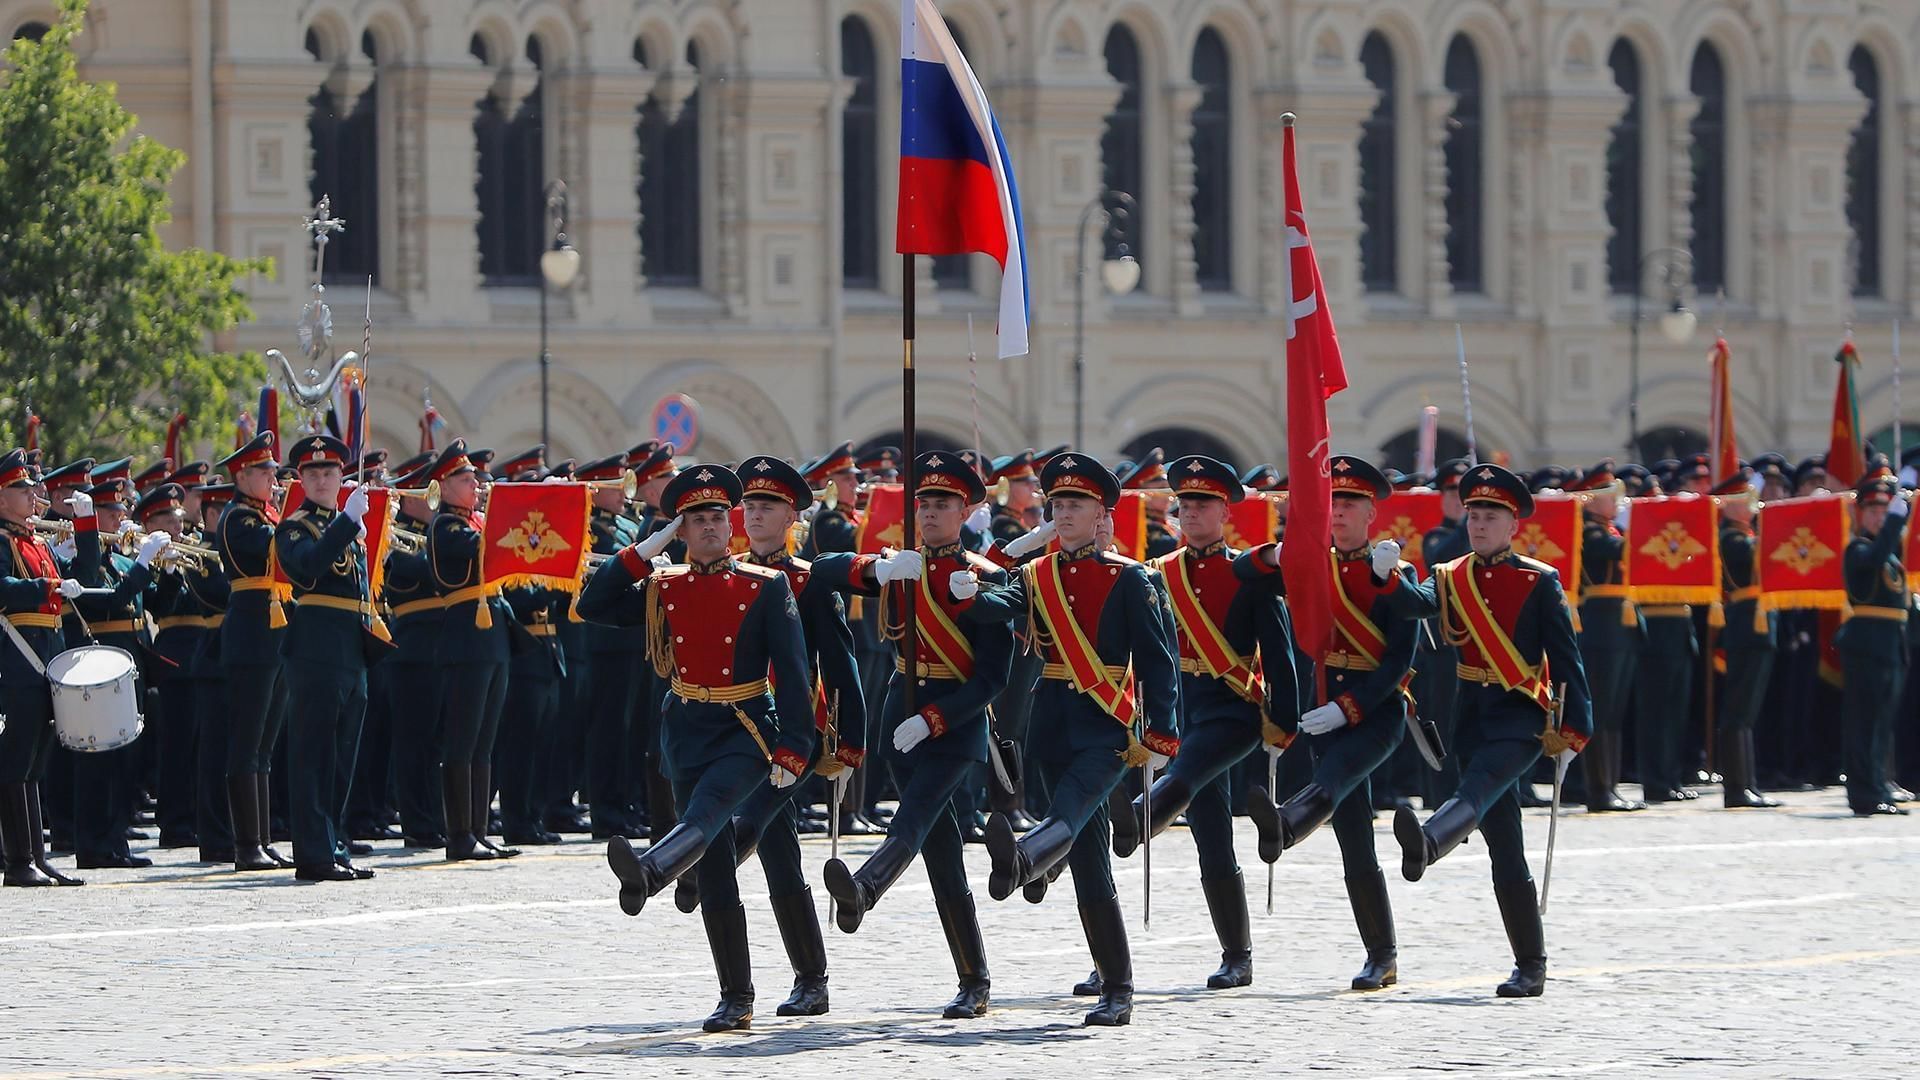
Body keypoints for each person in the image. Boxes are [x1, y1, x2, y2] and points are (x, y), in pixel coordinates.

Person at [583, 464, 816, 1033]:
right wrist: (648, 546)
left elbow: (793, 668)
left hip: (745, 726)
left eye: (717, 517)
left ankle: (654, 869)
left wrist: (795, 747)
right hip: (686, 727)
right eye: (696, 519)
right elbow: (593, 603)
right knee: (715, 871)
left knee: (707, 816)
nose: (710, 527)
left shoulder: (766, 586)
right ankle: (736, 996)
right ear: (682, 529)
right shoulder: (665, 585)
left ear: (730, 523)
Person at [972, 453, 1180, 1027]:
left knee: (1069, 815)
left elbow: (1160, 664)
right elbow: (997, 604)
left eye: (1076, 505)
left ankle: (1025, 858)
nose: (1063, 514)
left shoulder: (1131, 578)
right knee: (1090, 863)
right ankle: (1115, 984)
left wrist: (1162, 733)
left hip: (1107, 725)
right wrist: (975, 581)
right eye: (1057, 505)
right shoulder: (1036, 574)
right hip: (1053, 725)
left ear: (1102, 514)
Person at [816, 450, 1012, 1020]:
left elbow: (994, 678)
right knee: (942, 855)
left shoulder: (984, 578)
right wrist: (873, 571)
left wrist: (935, 719)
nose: (929, 512)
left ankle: (865, 887)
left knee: (914, 815)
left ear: (966, 509)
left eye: (942, 503)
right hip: (898, 708)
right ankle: (974, 980)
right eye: (923, 502)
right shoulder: (902, 565)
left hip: (954, 722)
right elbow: (818, 571)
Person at [1385, 464, 1592, 997]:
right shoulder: (1450, 574)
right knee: (1505, 848)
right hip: (1472, 714)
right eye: (1473, 514)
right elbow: (1416, 606)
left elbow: (1567, 660)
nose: (1478, 524)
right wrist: (1386, 573)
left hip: (1521, 717)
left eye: (1490, 516)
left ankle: (1431, 840)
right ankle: (1531, 964)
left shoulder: (1538, 580)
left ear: (1512, 525)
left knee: (1475, 789)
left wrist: (1576, 726)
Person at [1106, 454, 1298, 991]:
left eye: (1203, 503)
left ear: (1226, 512)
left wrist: (1283, 719)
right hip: (1179, 708)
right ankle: (1237, 954)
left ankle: (1139, 820)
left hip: (1232, 708)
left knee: (1185, 777)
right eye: (1185, 502)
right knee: (1212, 835)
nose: (1191, 512)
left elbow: (1279, 655)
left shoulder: (1249, 574)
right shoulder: (1157, 574)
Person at [698, 453, 868, 1017]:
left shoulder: (809, 580)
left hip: (798, 732)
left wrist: (848, 743)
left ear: (792, 516)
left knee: (755, 833)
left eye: (767, 506)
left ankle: (802, 977)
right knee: (778, 853)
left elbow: (840, 665)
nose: (754, 515)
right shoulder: (731, 575)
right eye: (748, 504)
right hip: (738, 728)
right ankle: (791, 983)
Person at [1237, 455, 1413, 991]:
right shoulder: (1309, 563)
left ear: (1371, 513)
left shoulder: (1395, 573)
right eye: (1331, 502)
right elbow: (1244, 572)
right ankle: (1381, 955)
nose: (1338, 512)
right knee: (1355, 839)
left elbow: (1398, 661)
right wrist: (1285, 547)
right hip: (1323, 712)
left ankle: (1288, 823)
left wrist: (1350, 707)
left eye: (1350, 503)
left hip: (1376, 713)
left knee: (1335, 779)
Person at [274, 434, 387, 882]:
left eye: (329, 472)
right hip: (315, 648)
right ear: (300, 479)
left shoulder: (347, 526)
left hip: (349, 647)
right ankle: (314, 852)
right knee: (314, 754)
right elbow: (306, 567)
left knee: (343, 755)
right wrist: (346, 523)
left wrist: (349, 525)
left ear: (342, 476)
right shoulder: (295, 526)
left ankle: (334, 843)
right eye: (313, 473)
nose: (322, 480)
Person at [68, 462, 171, 869]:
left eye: (121, 511)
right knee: (100, 762)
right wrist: (145, 564)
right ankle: (93, 845)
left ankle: (114, 842)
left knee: (127, 760)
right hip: (100, 662)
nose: (121, 518)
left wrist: (168, 571)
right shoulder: (86, 560)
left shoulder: (124, 561)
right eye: (111, 513)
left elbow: (155, 605)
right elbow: (104, 600)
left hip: (130, 662)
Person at [423, 439, 519, 861]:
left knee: (485, 740)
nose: (477, 484)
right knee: (462, 740)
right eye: (466, 479)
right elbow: (482, 548)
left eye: (475, 478)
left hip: (493, 636)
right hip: (466, 635)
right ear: (443, 487)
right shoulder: (446, 525)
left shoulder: (477, 521)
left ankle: (479, 829)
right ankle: (459, 833)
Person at [0, 449, 90, 886]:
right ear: (1, 498)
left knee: (37, 759)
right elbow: (4, 588)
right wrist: (47, 585)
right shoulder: (1, 541)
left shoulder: (34, 541)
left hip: (47, 652)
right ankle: (18, 861)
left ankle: (36, 855)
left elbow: (85, 574)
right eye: (21, 488)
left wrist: (88, 528)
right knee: (17, 757)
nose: (33, 494)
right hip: (16, 657)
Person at [213, 432, 294, 872]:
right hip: (251, 637)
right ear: (242, 476)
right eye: (264, 472)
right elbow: (273, 548)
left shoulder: (265, 514)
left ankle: (261, 838)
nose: (273, 479)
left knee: (264, 745)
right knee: (247, 742)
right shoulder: (238, 519)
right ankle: (246, 843)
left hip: (275, 637)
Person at [1835, 466, 1910, 816]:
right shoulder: (1858, 550)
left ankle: (1879, 784)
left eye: (1885, 511)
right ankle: (1863, 792)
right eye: (1874, 512)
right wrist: (1896, 522)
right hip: (1866, 646)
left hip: (1890, 646)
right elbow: (1875, 558)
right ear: (1861, 514)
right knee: (1864, 724)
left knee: (1882, 724)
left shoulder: (1890, 556)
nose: (1880, 517)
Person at [1569, 462, 1644, 812]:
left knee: (1613, 712)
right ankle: (1598, 789)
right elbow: (1613, 551)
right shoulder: (1587, 531)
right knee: (1599, 711)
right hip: (1599, 625)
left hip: (1620, 623)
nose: (1616, 502)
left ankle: (1610, 785)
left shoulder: (1610, 530)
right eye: (1609, 495)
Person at [1714, 470, 1781, 810]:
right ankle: (1737, 787)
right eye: (1746, 501)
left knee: (1747, 710)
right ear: (1730, 505)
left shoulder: (1747, 534)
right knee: (1738, 710)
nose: (1753, 506)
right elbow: (1762, 552)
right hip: (1745, 624)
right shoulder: (1732, 538)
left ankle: (1747, 783)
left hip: (1758, 624)